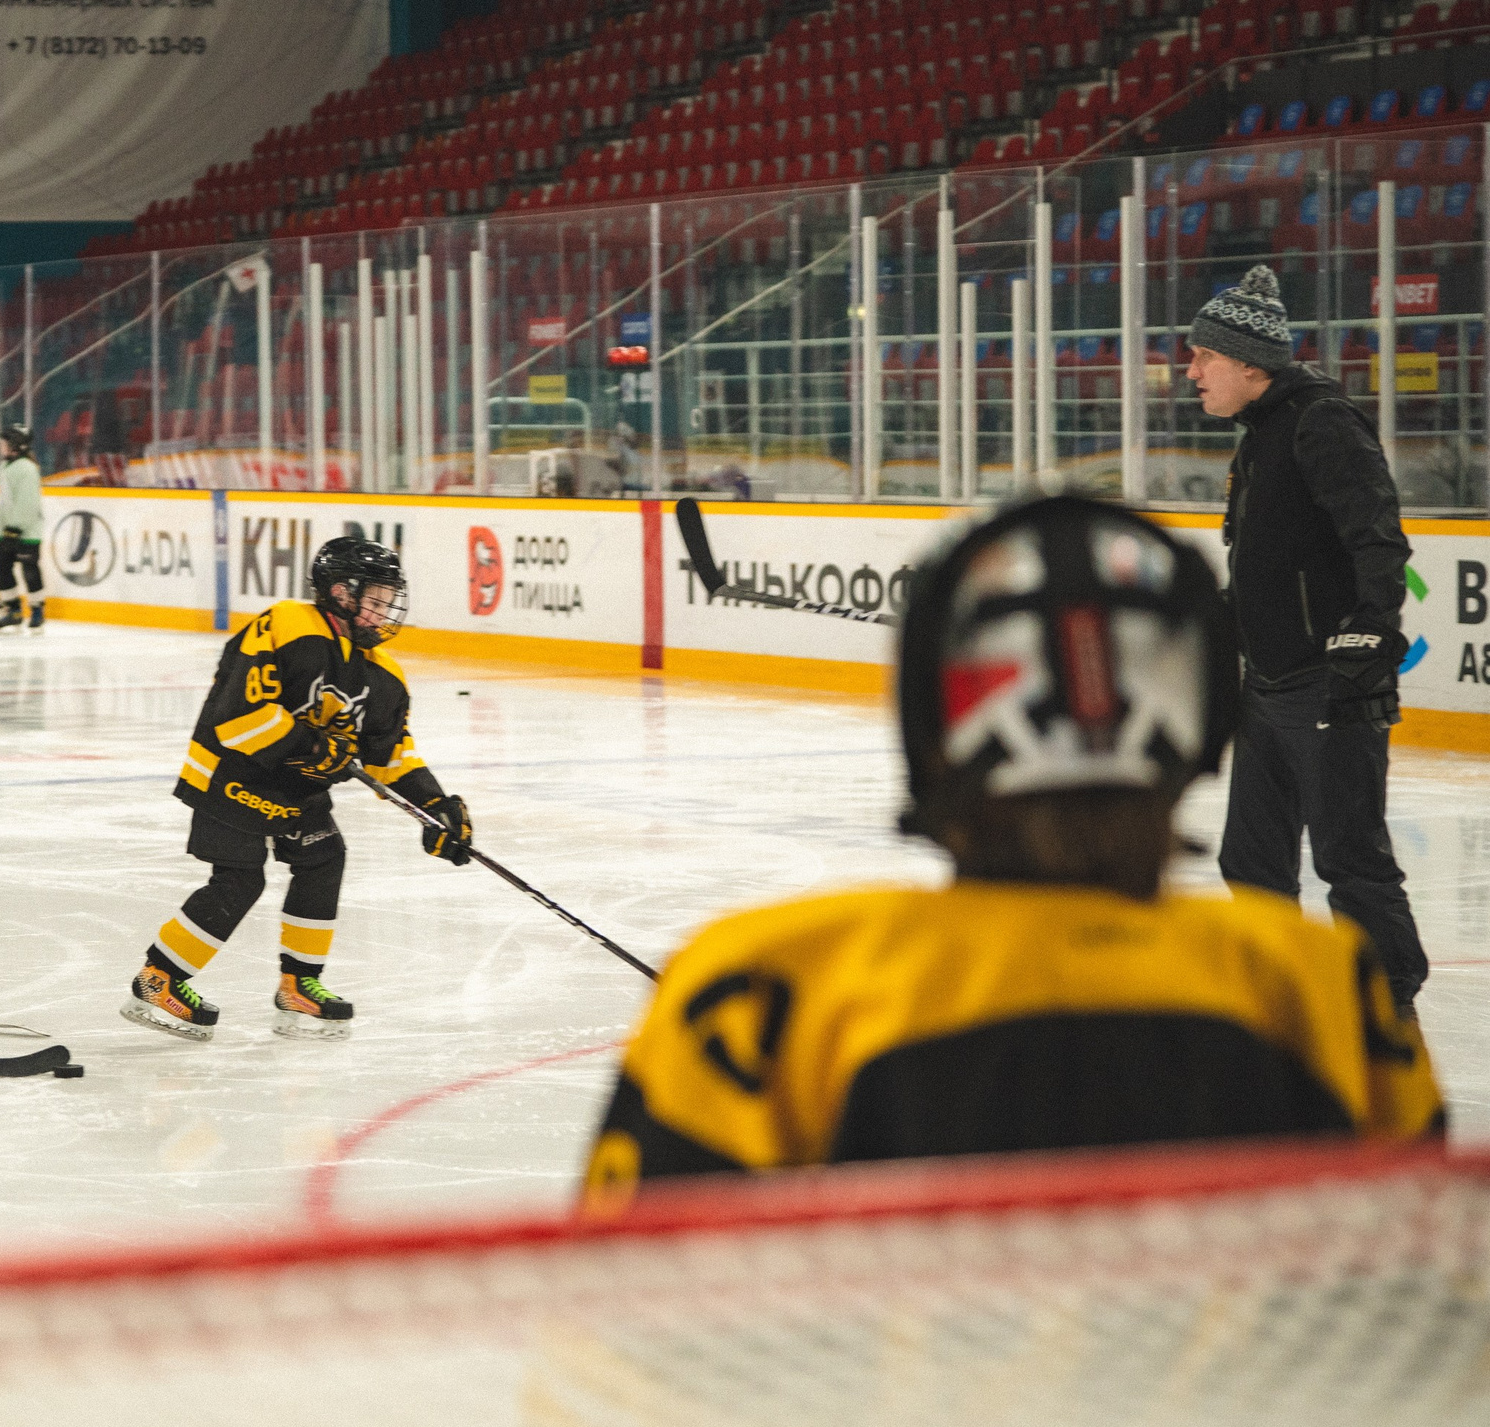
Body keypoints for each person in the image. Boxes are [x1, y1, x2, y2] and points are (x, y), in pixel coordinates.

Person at [577, 495, 1443, 1211]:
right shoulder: (1325, 987)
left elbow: (629, 1355)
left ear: (930, 732)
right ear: (1200, 733)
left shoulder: (760, 988)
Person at [1190, 265, 1429, 1013]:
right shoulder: (1260, 434)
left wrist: (1368, 632)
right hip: (1269, 686)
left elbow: (1379, 539)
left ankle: (1388, 1002)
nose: (1190, 369)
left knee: (1348, 858)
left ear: (1249, 363)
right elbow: (1270, 562)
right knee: (1250, 860)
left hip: (1330, 685)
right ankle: (1281, 991)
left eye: (1205, 356)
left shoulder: (1320, 422)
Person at [124, 536, 472, 1043]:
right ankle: (157, 980)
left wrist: (436, 805)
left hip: (294, 787)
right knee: (241, 881)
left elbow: (391, 754)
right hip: (232, 773)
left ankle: (299, 984)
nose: (383, 613)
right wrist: (313, 747)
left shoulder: (383, 675)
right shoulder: (288, 626)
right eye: (373, 600)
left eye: (386, 600)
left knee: (324, 857)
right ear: (340, 593)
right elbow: (238, 718)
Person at [0, 425, 46, 634]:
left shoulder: (28, 469)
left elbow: (27, 503)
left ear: (15, 446)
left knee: (29, 570)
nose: (1, 447)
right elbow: (7, 501)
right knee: (2, 569)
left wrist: (16, 527)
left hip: (27, 533)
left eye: (4, 443)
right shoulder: (3, 467)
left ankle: (37, 611)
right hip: (6, 531)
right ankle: (13, 611)